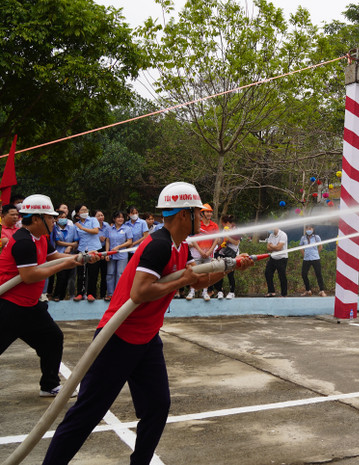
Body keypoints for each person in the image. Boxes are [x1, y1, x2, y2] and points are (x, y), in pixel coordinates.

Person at [43, 182, 254, 464]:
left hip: (145, 339)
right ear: (183, 214)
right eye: (196, 213)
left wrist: (232, 265)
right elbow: (140, 292)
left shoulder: (179, 246)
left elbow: (197, 280)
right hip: (117, 337)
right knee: (87, 413)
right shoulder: (158, 245)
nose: (201, 219)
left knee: (156, 406)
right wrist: (182, 280)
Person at [0, 194, 96, 397]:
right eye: (50, 217)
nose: (54, 220)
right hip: (9, 307)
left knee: (52, 338)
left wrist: (81, 258)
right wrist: (66, 264)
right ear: (36, 219)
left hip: (30, 306)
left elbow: (54, 257)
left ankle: (49, 385)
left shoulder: (41, 239)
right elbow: (29, 275)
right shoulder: (23, 242)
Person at [187, 203, 219, 301]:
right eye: (207, 212)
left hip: (208, 252)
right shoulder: (197, 224)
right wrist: (200, 251)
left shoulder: (214, 225)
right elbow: (193, 239)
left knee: (206, 273)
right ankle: (192, 291)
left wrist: (210, 251)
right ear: (202, 213)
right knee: (194, 271)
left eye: (210, 212)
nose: (209, 214)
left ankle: (205, 292)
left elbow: (216, 239)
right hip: (197, 252)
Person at [73, 205, 102, 302]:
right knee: (81, 272)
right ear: (78, 213)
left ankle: (91, 293)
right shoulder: (76, 224)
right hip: (82, 249)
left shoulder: (93, 220)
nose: (85, 211)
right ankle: (80, 293)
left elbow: (96, 231)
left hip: (94, 249)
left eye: (86, 209)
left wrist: (82, 228)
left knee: (93, 272)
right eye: (82, 210)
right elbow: (76, 238)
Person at [104, 211, 132, 301]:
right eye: (118, 217)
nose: (121, 219)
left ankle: (119, 294)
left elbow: (129, 241)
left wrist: (119, 247)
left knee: (120, 274)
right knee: (110, 274)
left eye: (122, 217)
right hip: (111, 254)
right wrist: (107, 253)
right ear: (114, 219)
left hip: (122, 254)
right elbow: (107, 241)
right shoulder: (109, 229)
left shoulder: (127, 228)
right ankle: (110, 294)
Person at [210, 214, 240, 299]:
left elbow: (236, 242)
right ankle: (220, 291)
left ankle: (231, 292)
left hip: (231, 253)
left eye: (223, 223)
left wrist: (228, 237)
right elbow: (221, 241)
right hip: (222, 252)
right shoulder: (224, 230)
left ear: (226, 223)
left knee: (230, 273)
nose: (222, 225)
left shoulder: (235, 229)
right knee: (219, 272)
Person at [52, 210, 79, 302]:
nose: (63, 219)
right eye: (61, 217)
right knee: (61, 276)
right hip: (59, 255)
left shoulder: (72, 228)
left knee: (69, 276)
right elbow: (57, 242)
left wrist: (70, 247)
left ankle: (64, 296)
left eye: (65, 217)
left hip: (71, 255)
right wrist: (70, 245)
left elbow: (76, 241)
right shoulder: (54, 228)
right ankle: (56, 295)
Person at [299, 224, 326, 296]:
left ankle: (322, 291)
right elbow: (300, 247)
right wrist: (304, 254)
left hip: (315, 258)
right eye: (307, 228)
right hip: (306, 259)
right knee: (304, 274)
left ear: (313, 229)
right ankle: (308, 290)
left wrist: (316, 253)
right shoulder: (303, 238)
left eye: (310, 228)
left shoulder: (316, 237)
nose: (308, 230)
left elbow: (320, 246)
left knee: (318, 274)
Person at [264, 226, 288, 297]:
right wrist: (274, 247)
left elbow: (279, 248)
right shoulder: (271, 235)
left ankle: (284, 294)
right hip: (273, 257)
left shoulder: (283, 235)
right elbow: (268, 248)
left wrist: (272, 246)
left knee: (282, 276)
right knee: (267, 273)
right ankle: (271, 291)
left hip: (282, 258)